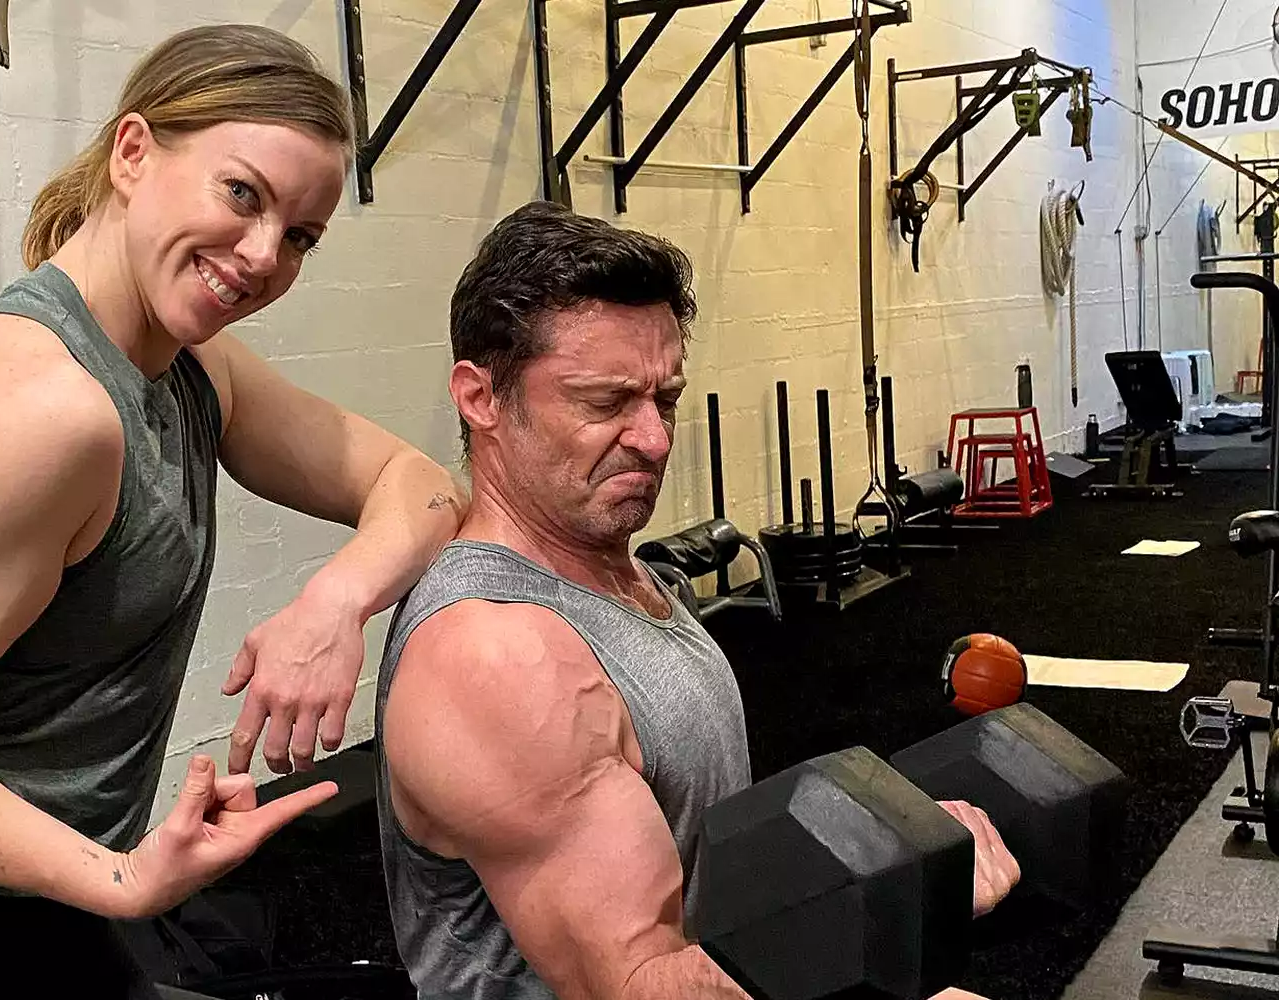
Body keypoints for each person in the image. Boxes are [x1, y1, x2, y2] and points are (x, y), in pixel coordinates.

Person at [0, 25, 464, 999]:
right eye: (243, 194)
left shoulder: (193, 366)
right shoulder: (45, 409)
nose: (263, 256)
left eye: (301, 236)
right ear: (134, 153)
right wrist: (121, 878)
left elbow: (417, 482)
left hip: (35, 905)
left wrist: (333, 604)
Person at [375, 201, 1021, 1000]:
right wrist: (891, 883)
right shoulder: (496, 655)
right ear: (480, 398)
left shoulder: (612, 569)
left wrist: (890, 838)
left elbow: (711, 863)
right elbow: (640, 984)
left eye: (666, 400)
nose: (654, 439)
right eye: (605, 402)